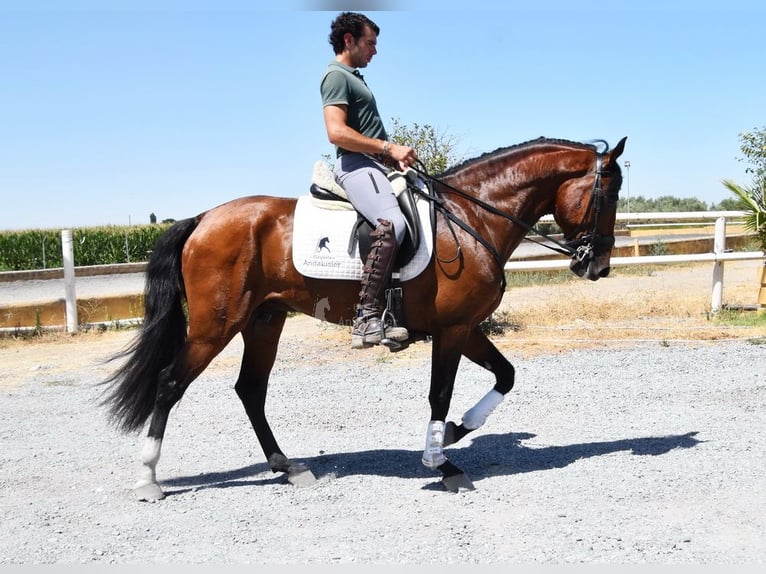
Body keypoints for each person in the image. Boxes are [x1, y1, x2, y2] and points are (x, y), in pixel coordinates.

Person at [320, 11, 418, 349]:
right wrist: (387, 146)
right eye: (370, 43)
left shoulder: (355, 77)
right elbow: (336, 132)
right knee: (393, 223)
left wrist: (394, 157)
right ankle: (366, 316)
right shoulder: (336, 76)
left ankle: (397, 313)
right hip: (356, 164)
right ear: (349, 40)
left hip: (377, 165)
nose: (374, 50)